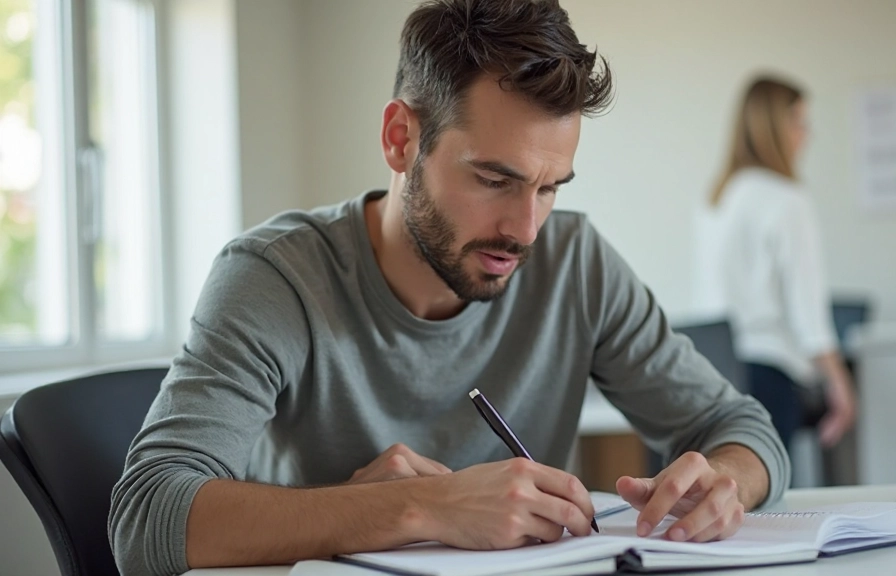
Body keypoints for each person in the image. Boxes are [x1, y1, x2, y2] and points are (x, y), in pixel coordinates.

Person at [109, 2, 789, 575]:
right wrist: (421, 509)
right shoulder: (275, 277)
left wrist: (727, 483)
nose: (525, 229)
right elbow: (146, 516)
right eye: (494, 180)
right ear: (402, 139)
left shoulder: (574, 262)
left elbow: (744, 429)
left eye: (549, 188)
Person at [692, 76, 857, 458]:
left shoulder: (717, 197)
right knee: (772, 504)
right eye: (799, 121)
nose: (807, 134)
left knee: (731, 502)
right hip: (769, 374)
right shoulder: (786, 199)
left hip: (714, 370)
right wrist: (840, 384)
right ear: (773, 127)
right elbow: (807, 310)